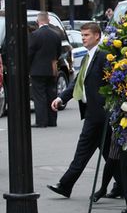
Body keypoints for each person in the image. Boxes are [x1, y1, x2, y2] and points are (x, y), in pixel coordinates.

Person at [47, 22, 113, 198]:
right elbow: (78, 82)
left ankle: (65, 184)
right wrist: (62, 97)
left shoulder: (103, 56)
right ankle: (122, 185)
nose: (83, 38)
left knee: (83, 151)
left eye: (86, 35)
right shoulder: (88, 56)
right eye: (82, 35)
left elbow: (113, 85)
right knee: (110, 154)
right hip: (94, 114)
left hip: (99, 115)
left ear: (97, 36)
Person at [29, 12, 62, 128]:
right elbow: (59, 53)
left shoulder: (35, 35)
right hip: (52, 69)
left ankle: (41, 121)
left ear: (38, 22)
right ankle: (52, 120)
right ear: (48, 20)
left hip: (37, 70)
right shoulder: (56, 34)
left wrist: (29, 67)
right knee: (51, 94)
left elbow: (30, 53)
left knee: (39, 96)